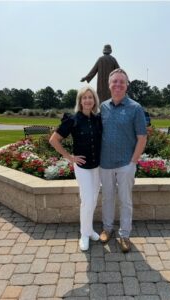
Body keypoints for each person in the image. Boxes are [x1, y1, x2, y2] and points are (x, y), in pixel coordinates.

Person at [99, 68, 147, 252]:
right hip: (105, 164)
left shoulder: (135, 108)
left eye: (122, 81)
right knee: (107, 199)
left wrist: (132, 162)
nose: (118, 84)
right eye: (115, 81)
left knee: (125, 201)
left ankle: (125, 234)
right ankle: (107, 229)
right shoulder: (102, 107)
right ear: (109, 84)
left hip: (126, 164)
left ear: (127, 85)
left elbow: (142, 138)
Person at [49, 86, 102, 251]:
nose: (87, 100)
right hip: (82, 167)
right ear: (80, 101)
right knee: (86, 200)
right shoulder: (72, 120)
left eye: (90, 97)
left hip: (98, 167)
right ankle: (84, 234)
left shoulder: (98, 119)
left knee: (93, 199)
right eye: (84, 97)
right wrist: (70, 158)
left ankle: (90, 229)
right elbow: (54, 140)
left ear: (94, 101)